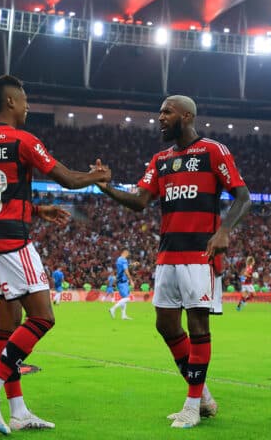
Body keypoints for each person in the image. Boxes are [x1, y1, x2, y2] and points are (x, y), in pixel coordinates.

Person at [94, 95, 251, 429]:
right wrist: (105, 186)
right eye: (160, 112)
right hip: (167, 254)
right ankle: (203, 396)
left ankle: (192, 404)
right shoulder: (161, 159)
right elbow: (139, 201)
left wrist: (224, 231)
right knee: (165, 325)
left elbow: (242, 195)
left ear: (187, 115)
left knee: (197, 328)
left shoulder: (213, 150)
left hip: (199, 254)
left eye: (167, 112)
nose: (160, 117)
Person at [0, 75, 111, 434]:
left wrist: (36, 209)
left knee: (7, 325)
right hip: (13, 240)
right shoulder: (23, 139)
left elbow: (1, 195)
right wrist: (95, 176)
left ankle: (17, 411)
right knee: (43, 318)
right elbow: (65, 177)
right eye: (25, 99)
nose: (28, 106)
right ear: (11, 102)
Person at [109, 250, 135, 320]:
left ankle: (123, 315)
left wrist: (132, 264)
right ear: (125, 253)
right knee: (127, 298)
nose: (128, 255)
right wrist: (131, 280)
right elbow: (126, 270)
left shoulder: (119, 259)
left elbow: (123, 268)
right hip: (122, 281)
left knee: (124, 298)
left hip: (120, 280)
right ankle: (113, 308)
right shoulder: (124, 260)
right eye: (128, 254)